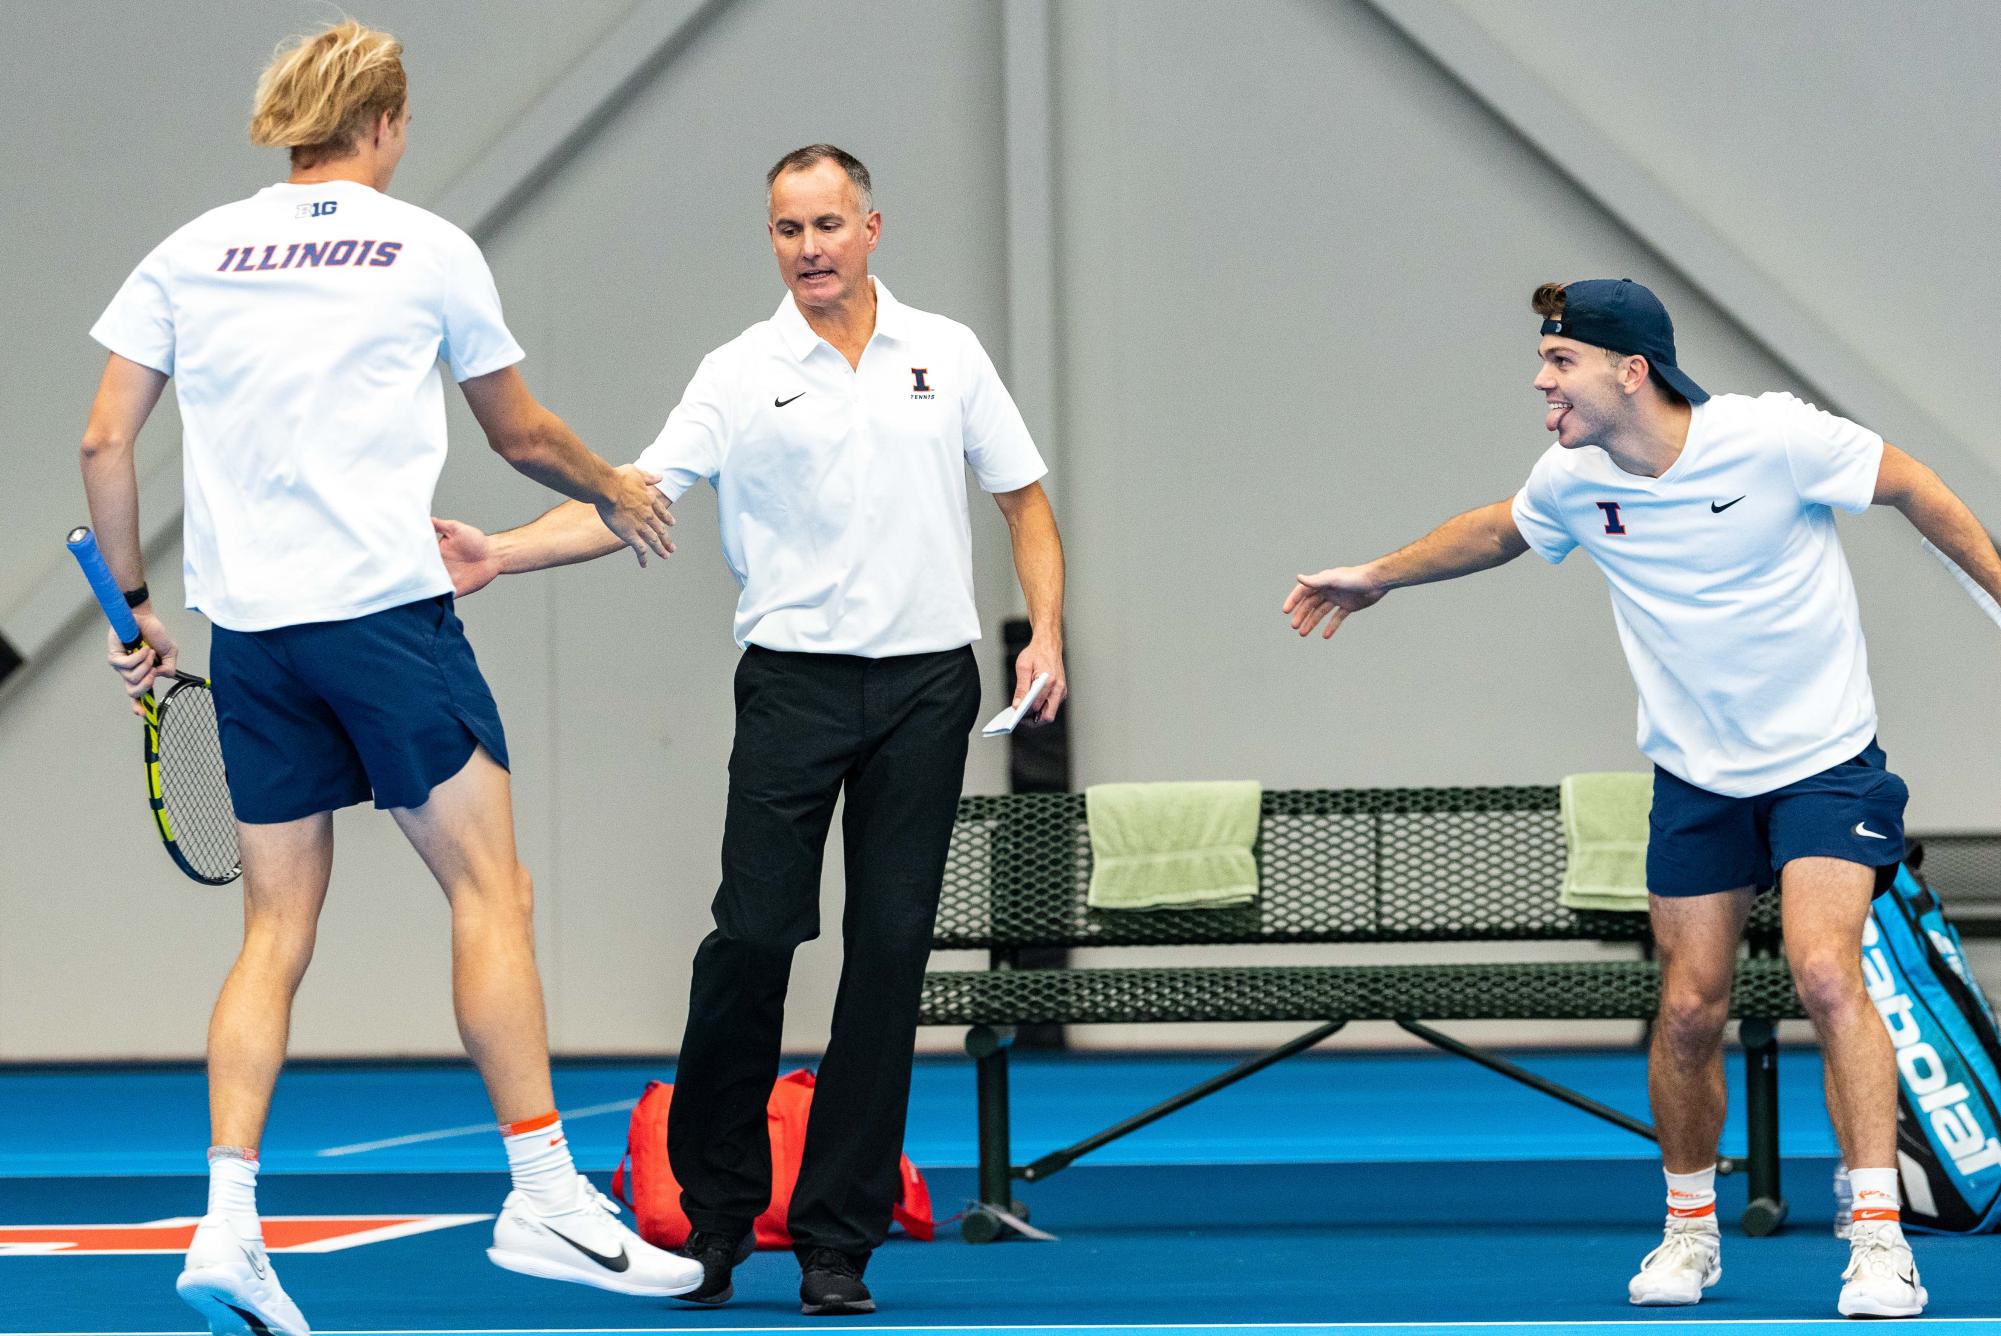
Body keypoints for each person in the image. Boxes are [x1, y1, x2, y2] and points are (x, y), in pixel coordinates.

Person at [81, 21, 701, 1334]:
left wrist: (135, 607)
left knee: (272, 935)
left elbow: (101, 443)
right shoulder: (426, 248)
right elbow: (519, 431)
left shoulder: (187, 253)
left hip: (253, 637)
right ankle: (541, 1191)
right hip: (380, 616)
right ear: (389, 123)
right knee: (493, 887)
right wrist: (614, 482)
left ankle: (230, 1225)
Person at [1283, 278, 1998, 1319]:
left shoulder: (1774, 438)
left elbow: (1914, 486)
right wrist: (1379, 575)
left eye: (1560, 362)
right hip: (1696, 777)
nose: (1541, 380)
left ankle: (1879, 1241)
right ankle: (1688, 1231)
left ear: (1632, 370)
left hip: (1824, 761)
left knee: (1825, 971)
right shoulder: (1573, 477)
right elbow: (1497, 530)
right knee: (1691, 1007)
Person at [436, 143, 1067, 1315]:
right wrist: (505, 553)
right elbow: (638, 498)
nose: (810, 248)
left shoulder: (951, 354)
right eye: (788, 230)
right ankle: (716, 1219)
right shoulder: (737, 372)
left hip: (928, 689)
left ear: (873, 227)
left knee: (888, 959)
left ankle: (838, 1241)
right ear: (771, 240)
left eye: (828, 225)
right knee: (752, 940)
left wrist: (1049, 635)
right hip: (792, 688)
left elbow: (1025, 500)